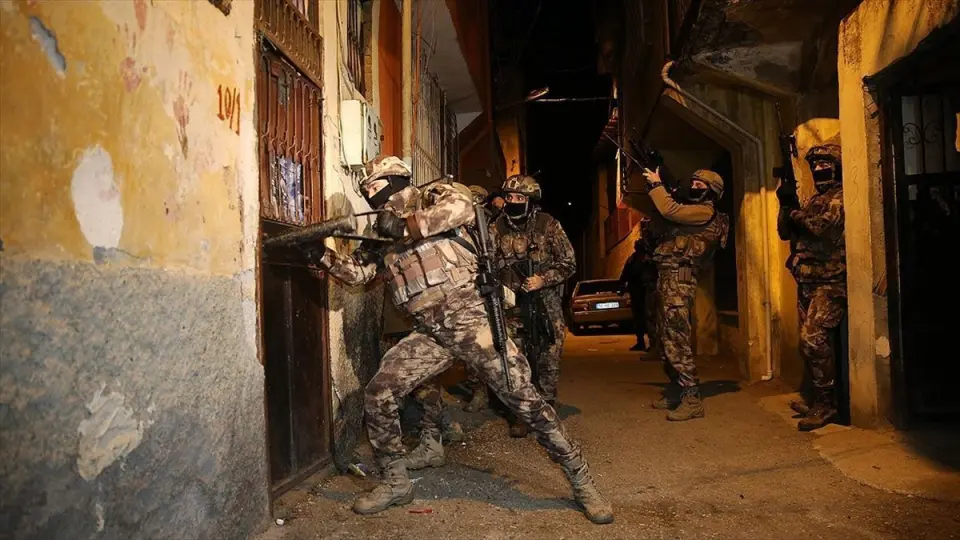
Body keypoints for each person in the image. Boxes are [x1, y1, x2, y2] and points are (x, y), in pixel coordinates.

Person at [307, 157, 613, 523]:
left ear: (396, 179)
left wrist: (407, 226)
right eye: (366, 190)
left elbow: (462, 207)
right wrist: (320, 255)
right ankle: (396, 482)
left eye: (376, 185)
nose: (372, 194)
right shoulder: (380, 233)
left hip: (470, 320)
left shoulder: (432, 197)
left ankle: (581, 480)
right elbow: (358, 274)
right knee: (379, 392)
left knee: (526, 402)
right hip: (431, 330)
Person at [485, 174, 576, 438]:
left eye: (519, 197)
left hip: (545, 303)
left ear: (530, 200)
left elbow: (568, 263)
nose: (513, 201)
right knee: (514, 359)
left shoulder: (548, 224)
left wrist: (543, 279)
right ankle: (521, 413)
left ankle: (546, 408)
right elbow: (486, 264)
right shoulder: (495, 227)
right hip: (511, 306)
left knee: (549, 356)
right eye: (509, 197)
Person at [642, 167, 729, 421]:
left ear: (712, 191)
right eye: (693, 183)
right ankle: (676, 390)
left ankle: (691, 398)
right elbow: (661, 221)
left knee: (676, 337)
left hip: (680, 280)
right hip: (668, 278)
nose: (694, 187)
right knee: (665, 338)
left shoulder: (705, 212)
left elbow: (669, 210)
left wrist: (657, 185)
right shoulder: (689, 213)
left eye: (701, 185)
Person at [777, 144, 846, 431]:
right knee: (808, 345)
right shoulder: (814, 199)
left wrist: (795, 213)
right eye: (815, 166)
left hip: (830, 282)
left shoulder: (839, 198)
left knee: (814, 340)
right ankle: (818, 399)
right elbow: (785, 233)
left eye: (825, 165)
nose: (819, 170)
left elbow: (821, 228)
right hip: (807, 280)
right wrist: (785, 205)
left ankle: (827, 405)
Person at [618, 239, 649, 351]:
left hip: (647, 291)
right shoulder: (632, 259)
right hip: (637, 291)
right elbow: (625, 273)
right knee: (639, 318)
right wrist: (621, 286)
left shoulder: (648, 258)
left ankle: (652, 343)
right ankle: (641, 342)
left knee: (649, 318)